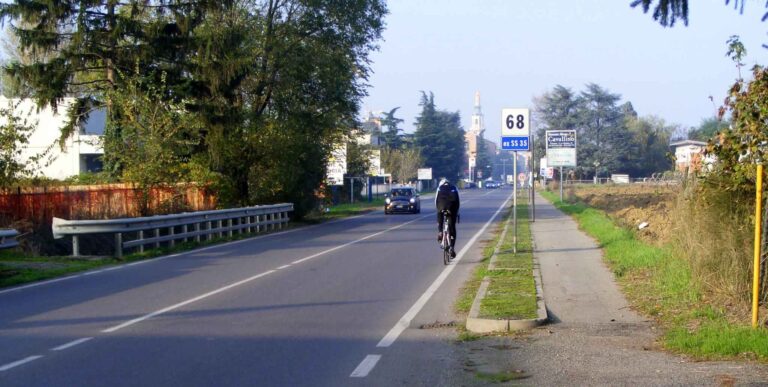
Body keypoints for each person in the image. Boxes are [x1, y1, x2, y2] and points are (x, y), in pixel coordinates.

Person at [435, 178, 460, 258]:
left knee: (440, 216)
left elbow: (436, 201)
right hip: (452, 208)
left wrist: (439, 210)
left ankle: (440, 232)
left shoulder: (439, 188)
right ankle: (452, 247)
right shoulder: (454, 187)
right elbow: (457, 201)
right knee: (452, 226)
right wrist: (456, 212)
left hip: (441, 206)